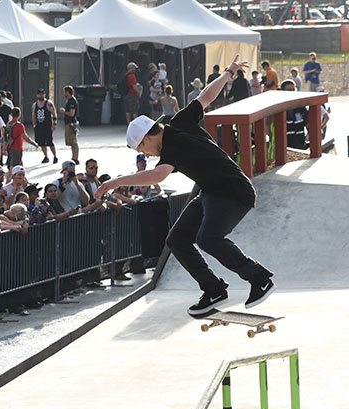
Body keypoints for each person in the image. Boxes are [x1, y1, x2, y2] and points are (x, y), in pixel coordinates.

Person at [98, 55, 274, 318]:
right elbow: (205, 97)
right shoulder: (179, 120)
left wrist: (115, 182)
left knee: (208, 239)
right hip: (210, 192)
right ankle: (213, 288)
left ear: (147, 138)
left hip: (233, 191)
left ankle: (258, 278)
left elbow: (158, 176)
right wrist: (228, 73)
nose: (146, 155)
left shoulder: (170, 148)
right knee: (177, 239)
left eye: (143, 149)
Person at [31, 88, 57, 164]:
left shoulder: (48, 103)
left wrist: (54, 124)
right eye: (39, 94)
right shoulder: (35, 105)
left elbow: (54, 113)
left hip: (48, 126)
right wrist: (34, 124)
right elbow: (33, 115)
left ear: (44, 94)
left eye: (42, 94)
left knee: (50, 142)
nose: (40, 95)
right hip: (39, 126)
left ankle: (55, 156)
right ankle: (46, 156)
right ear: (37, 95)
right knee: (42, 143)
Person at [61, 86, 80, 164]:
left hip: (71, 123)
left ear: (68, 92)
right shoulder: (68, 100)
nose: (64, 93)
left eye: (65, 92)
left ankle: (75, 158)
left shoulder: (72, 101)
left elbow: (72, 113)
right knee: (71, 142)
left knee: (73, 141)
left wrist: (64, 111)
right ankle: (73, 157)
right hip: (68, 123)